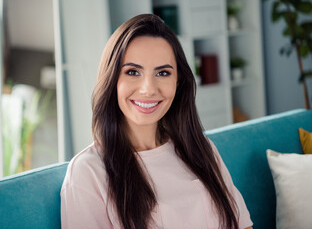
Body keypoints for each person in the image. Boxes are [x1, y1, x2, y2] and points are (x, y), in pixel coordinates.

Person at [61, 14, 253, 229]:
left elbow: (242, 224)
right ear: (112, 79)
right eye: (133, 72)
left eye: (163, 73)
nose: (149, 89)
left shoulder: (201, 148)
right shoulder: (88, 171)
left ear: (178, 82)